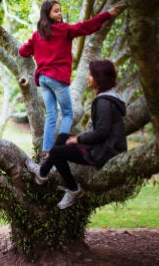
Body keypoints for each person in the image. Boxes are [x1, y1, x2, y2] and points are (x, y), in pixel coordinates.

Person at [18, 0, 123, 160]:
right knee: (67, 114)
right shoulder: (63, 30)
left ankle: (46, 150)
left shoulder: (37, 35)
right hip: (57, 78)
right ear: (47, 14)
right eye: (56, 11)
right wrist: (107, 14)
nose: (60, 14)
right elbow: (85, 27)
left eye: (60, 10)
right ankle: (60, 149)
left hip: (44, 79)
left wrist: (36, 51)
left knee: (51, 115)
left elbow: (23, 51)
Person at [25, 60, 127, 209]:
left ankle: (73, 189)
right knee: (62, 138)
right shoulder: (110, 96)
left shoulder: (104, 101)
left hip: (105, 152)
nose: (87, 78)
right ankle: (43, 173)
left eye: (91, 75)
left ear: (100, 77)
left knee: (56, 152)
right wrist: (75, 139)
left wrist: (78, 139)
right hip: (105, 147)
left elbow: (101, 133)